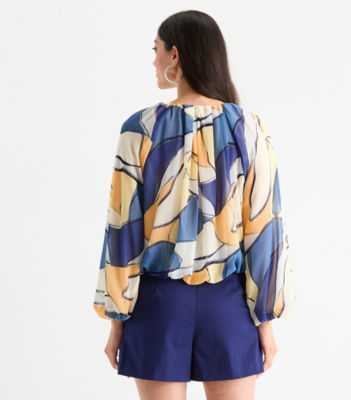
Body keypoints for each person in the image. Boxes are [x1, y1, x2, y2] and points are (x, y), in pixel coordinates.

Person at [92, 9, 295, 400]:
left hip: (157, 306)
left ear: (175, 55)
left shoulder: (139, 130)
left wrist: (117, 319)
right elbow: (265, 230)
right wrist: (265, 322)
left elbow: (122, 231)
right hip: (229, 306)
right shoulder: (248, 128)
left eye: (156, 49)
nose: (153, 60)